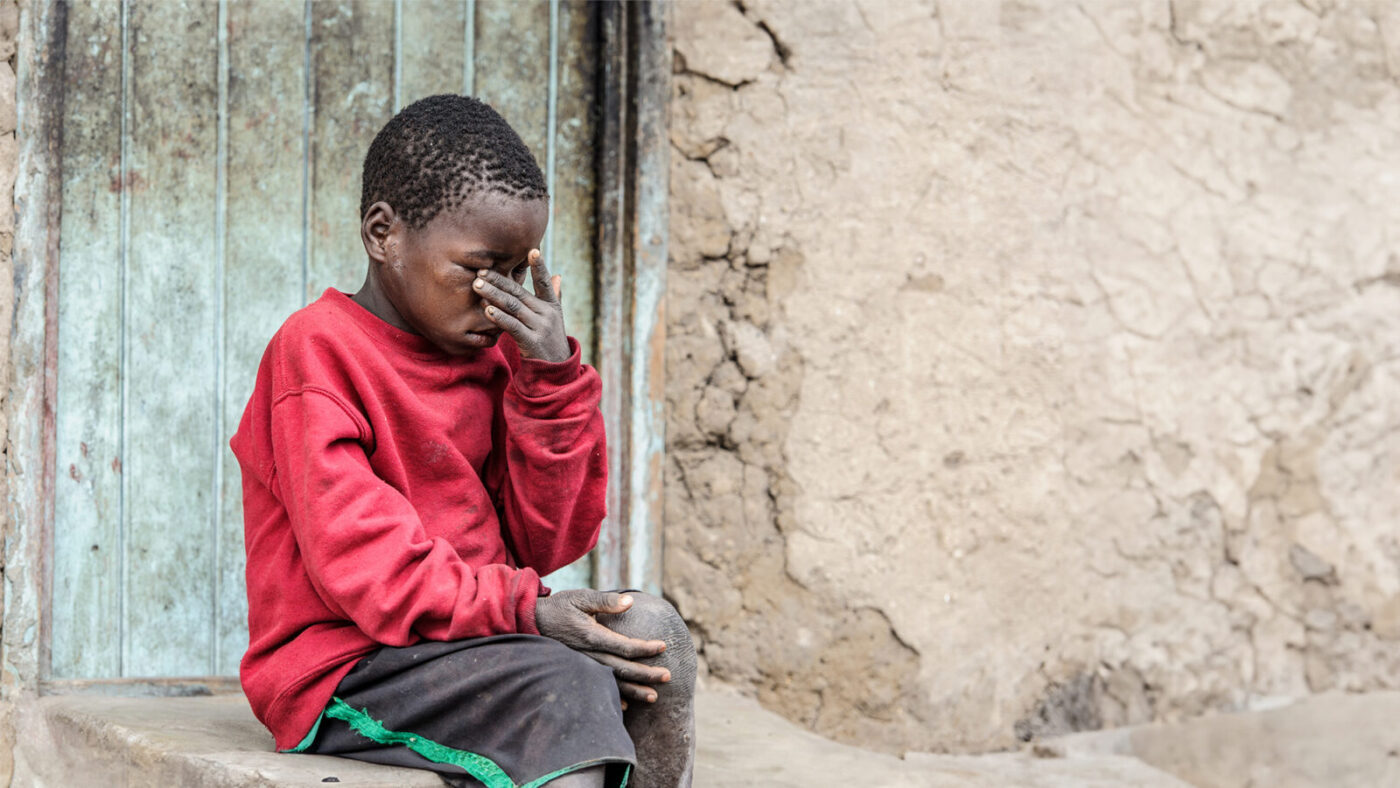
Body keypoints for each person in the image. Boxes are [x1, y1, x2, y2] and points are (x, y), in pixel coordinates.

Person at [230, 94, 695, 788]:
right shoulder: (317, 354)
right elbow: (367, 569)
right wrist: (526, 613)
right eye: (478, 268)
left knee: (657, 637)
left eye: (515, 272)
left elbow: (550, 542)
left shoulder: (497, 358)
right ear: (382, 233)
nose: (498, 296)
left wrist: (551, 379)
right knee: (563, 690)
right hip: (347, 668)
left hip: (475, 637)